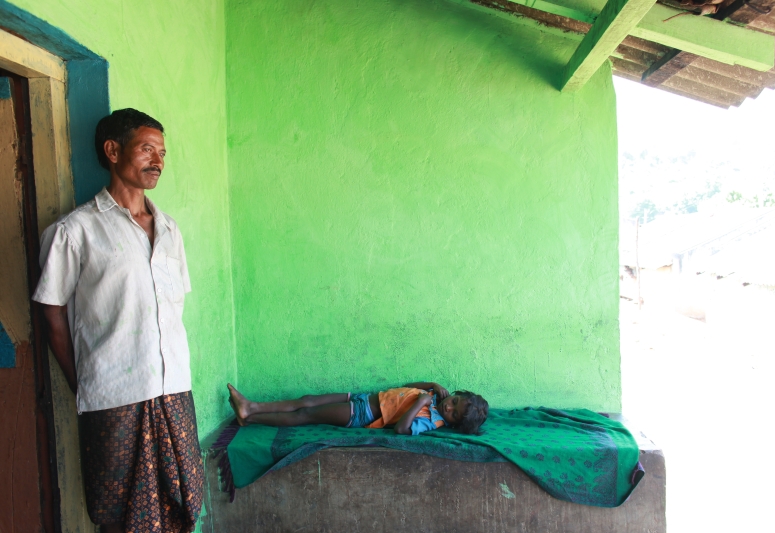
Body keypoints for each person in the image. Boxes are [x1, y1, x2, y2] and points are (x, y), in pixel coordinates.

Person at [33, 109, 203, 533]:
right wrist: (84, 382)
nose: (158, 161)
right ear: (113, 151)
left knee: (184, 504)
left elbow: (171, 310)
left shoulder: (169, 231)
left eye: (162, 153)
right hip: (114, 399)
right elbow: (51, 312)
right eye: (147, 149)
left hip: (174, 391)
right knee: (119, 514)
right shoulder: (76, 232)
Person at [227, 381, 488, 435]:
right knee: (307, 399)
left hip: (363, 414)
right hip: (364, 398)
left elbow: (401, 429)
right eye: (455, 401)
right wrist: (430, 385)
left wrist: (421, 403)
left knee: (305, 415)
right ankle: (251, 406)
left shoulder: (432, 420)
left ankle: (249, 418)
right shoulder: (435, 395)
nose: (449, 407)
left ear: (453, 423)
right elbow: (408, 388)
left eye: (454, 413)